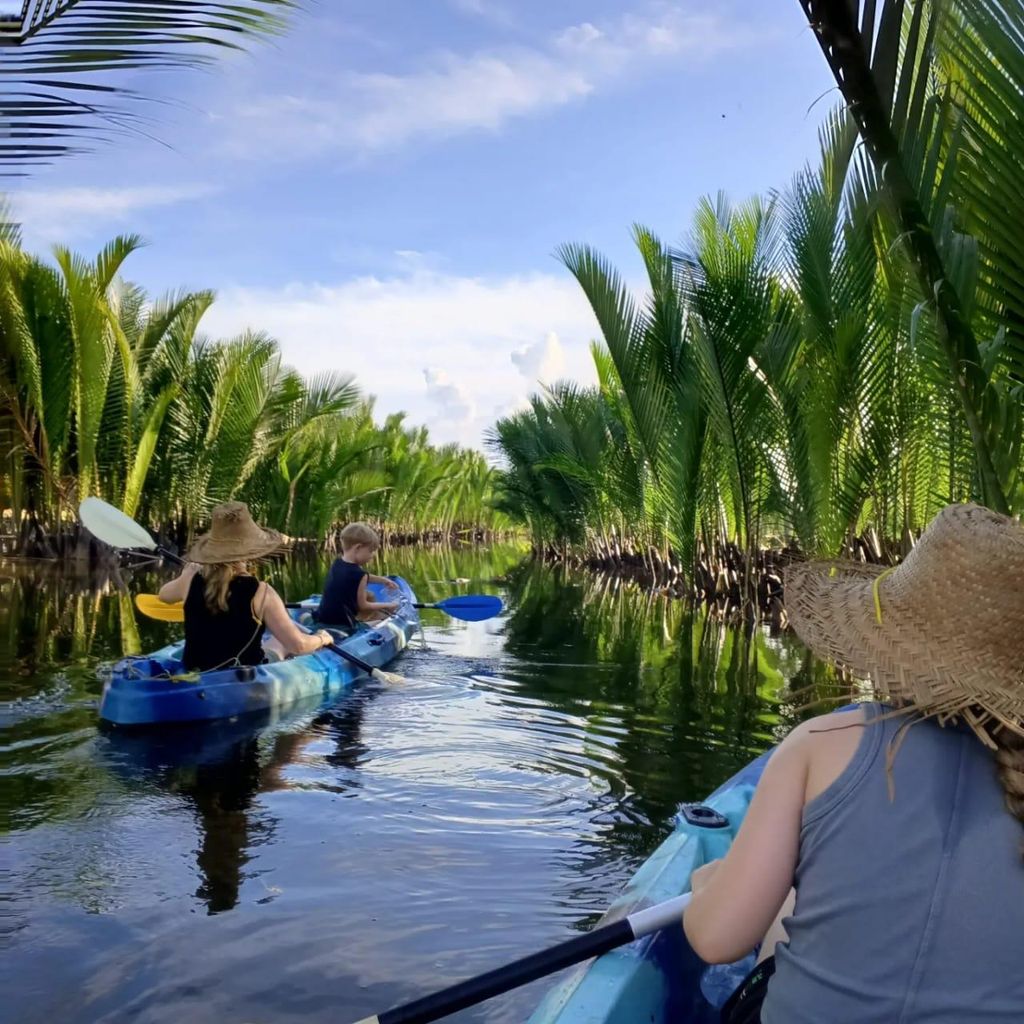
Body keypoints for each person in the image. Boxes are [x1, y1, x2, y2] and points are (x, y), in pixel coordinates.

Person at [683, 502, 1024, 1023]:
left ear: (884, 641)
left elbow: (715, 939)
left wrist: (706, 886)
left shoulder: (821, 743)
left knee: (784, 913)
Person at [158, 501, 333, 672]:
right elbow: (298, 646)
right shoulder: (262, 592)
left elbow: (163, 595)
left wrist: (185, 575)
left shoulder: (190, 580)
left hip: (194, 673)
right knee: (280, 643)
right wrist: (321, 639)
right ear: (250, 551)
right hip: (241, 679)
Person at [316, 521, 400, 628]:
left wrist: (384, 580)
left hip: (322, 617)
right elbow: (363, 606)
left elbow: (362, 577)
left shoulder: (337, 564)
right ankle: (374, 618)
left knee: (369, 594)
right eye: (371, 551)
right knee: (384, 619)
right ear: (358, 548)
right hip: (343, 624)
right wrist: (389, 605)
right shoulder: (359, 575)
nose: (372, 555)